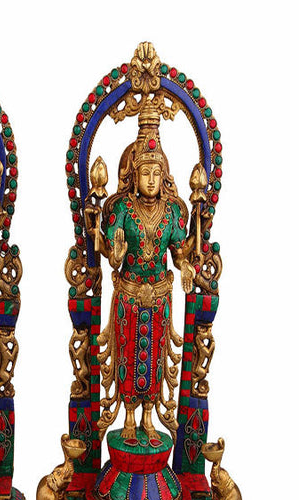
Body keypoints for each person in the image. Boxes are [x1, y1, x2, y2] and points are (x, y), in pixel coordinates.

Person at [86, 101, 195, 443]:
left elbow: (178, 252)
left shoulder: (172, 212)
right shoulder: (120, 207)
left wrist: (186, 266)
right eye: (145, 173)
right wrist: (114, 252)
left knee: (155, 356)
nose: (150, 180)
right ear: (134, 175)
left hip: (159, 298)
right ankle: (130, 416)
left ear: (164, 177)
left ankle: (149, 416)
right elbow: (109, 251)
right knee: (129, 355)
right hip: (129, 297)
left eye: (156, 174)